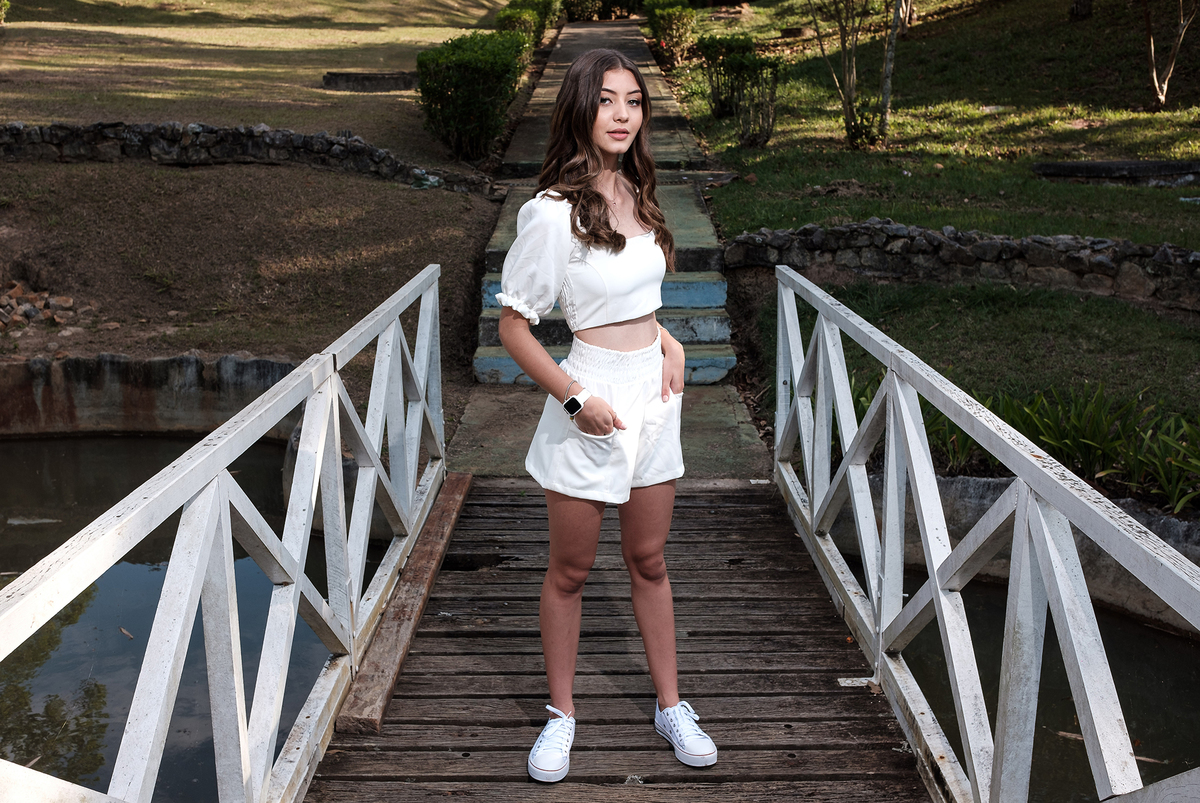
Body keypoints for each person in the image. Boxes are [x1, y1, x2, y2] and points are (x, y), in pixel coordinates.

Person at [496, 48, 718, 784]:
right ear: (580, 109)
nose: (623, 115)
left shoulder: (637, 190)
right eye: (607, 101)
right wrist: (574, 399)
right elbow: (515, 328)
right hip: (589, 396)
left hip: (654, 395)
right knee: (571, 569)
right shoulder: (551, 213)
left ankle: (670, 705)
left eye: (634, 101)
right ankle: (561, 715)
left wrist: (667, 339)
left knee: (649, 560)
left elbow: (632, 298)